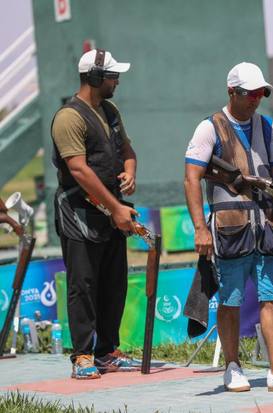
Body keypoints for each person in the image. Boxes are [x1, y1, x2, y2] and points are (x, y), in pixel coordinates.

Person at [184, 62, 273, 392]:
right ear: (231, 92)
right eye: (250, 93)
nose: (257, 99)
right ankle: (232, 366)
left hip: (270, 227)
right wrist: (201, 229)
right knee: (230, 301)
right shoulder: (209, 128)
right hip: (231, 229)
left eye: (262, 92)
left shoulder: (270, 126)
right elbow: (191, 177)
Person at [51, 48, 138, 379]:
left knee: (114, 284)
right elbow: (79, 170)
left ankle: (107, 352)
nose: (118, 81)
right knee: (83, 285)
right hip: (80, 213)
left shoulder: (111, 110)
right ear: (96, 78)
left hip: (112, 212)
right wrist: (117, 207)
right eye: (113, 75)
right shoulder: (68, 118)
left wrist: (130, 171)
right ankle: (83, 355)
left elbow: (127, 149)